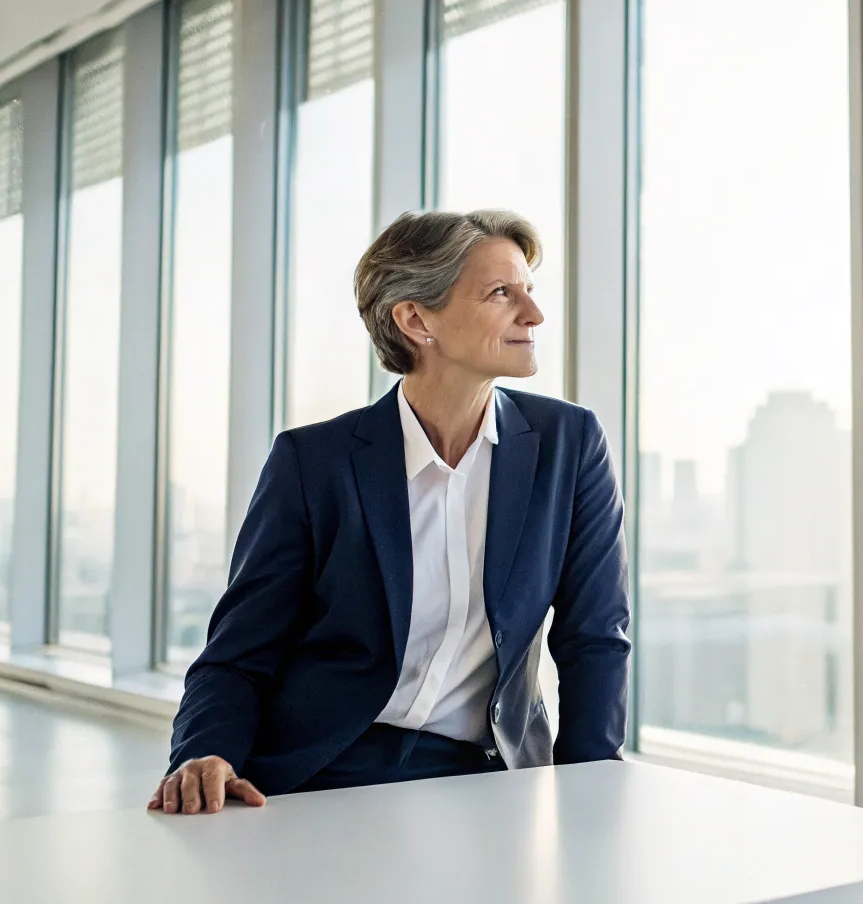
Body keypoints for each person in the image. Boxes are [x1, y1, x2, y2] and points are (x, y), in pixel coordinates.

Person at [150, 209, 630, 815]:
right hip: (324, 770)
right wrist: (205, 751)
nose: (533, 315)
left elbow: (594, 638)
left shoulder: (569, 444)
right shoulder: (313, 463)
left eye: (529, 292)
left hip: (485, 779)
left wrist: (589, 790)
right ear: (416, 319)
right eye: (501, 294)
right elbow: (239, 653)